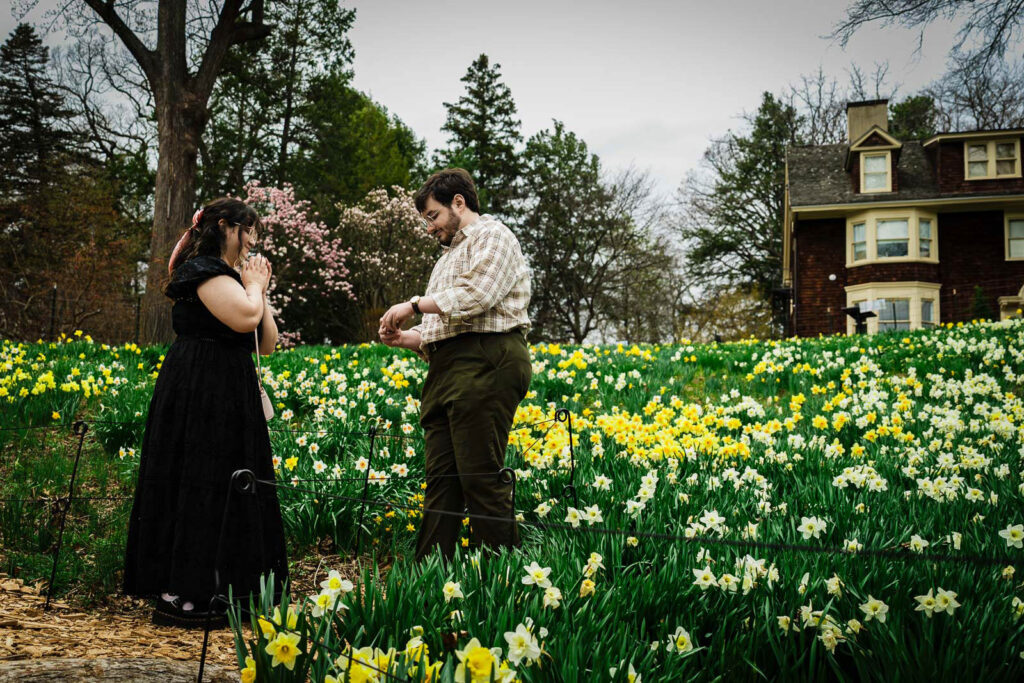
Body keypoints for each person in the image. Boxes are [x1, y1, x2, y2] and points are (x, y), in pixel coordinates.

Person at [124, 198, 289, 628]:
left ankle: (227, 587)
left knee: (231, 484)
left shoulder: (233, 278)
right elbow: (243, 317)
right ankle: (186, 593)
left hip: (228, 392)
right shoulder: (203, 272)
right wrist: (254, 290)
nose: (252, 241)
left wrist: (259, 289)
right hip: (201, 391)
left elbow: (266, 341)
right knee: (198, 481)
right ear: (224, 227)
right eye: (246, 230)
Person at [379, 168, 532, 561]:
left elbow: (477, 296)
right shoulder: (445, 260)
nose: (429, 228)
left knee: (480, 477)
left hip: (489, 360)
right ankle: (430, 577)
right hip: (448, 368)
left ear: (458, 203)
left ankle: (500, 579)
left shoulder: (493, 236)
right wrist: (407, 338)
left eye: (432, 216)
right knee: (441, 481)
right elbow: (440, 330)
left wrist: (412, 305)